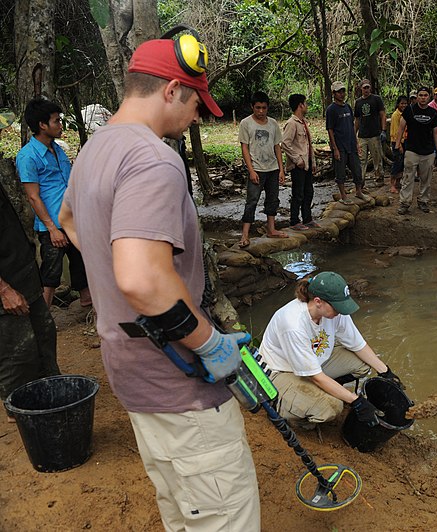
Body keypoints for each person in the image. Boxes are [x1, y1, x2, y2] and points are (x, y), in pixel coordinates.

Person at [59, 34, 261, 530]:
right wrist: (210, 342)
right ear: (171, 90)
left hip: (135, 381)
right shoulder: (152, 158)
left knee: (183, 512)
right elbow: (144, 280)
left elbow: (67, 221)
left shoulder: (93, 150)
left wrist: (113, 273)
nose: (199, 117)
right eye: (196, 103)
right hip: (181, 386)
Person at [256, 272, 403, 428]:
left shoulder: (334, 312)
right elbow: (315, 376)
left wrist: (385, 371)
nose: (341, 311)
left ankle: (324, 391)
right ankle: (293, 415)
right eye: (337, 307)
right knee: (331, 407)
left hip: (313, 362)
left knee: (362, 364)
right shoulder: (293, 324)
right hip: (282, 371)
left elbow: (357, 344)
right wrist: (356, 401)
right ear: (318, 302)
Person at [17, 97, 91, 308]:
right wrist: (52, 229)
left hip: (72, 220)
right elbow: (33, 196)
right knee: (51, 274)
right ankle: (44, 318)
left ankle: (87, 303)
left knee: (81, 264)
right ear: (42, 125)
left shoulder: (57, 149)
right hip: (53, 226)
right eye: (56, 121)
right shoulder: (28, 156)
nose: (60, 125)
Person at [0, 180, 59, 422]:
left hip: (23, 271)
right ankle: (21, 412)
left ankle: (54, 394)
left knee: (45, 333)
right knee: (18, 353)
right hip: (6, 287)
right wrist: (3, 290)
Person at [238, 91, 286, 246]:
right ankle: (245, 235)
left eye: (263, 108)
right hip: (257, 168)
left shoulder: (273, 124)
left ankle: (271, 229)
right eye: (257, 108)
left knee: (273, 199)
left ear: (267, 108)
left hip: (272, 168)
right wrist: (251, 170)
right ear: (252, 107)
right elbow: (244, 148)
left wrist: (281, 169)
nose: (260, 111)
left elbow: (277, 146)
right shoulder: (246, 123)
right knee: (252, 201)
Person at [394, 86, 437, 215]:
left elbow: (436, 132)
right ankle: (405, 203)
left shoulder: (433, 113)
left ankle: (423, 201)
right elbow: (401, 127)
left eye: (425, 95)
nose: (423, 98)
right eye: (420, 95)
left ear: (429, 97)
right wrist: (397, 146)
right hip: (412, 150)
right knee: (408, 177)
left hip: (428, 151)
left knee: (426, 179)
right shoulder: (409, 110)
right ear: (417, 97)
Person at [282, 93, 318, 230]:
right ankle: (294, 221)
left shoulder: (303, 122)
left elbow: (308, 144)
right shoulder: (291, 123)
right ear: (300, 105)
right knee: (298, 193)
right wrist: (297, 159)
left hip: (307, 163)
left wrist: (313, 163)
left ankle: (307, 218)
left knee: (309, 191)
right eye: (305, 103)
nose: (306, 106)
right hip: (298, 165)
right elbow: (285, 143)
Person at [326, 81, 367, 204]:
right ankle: (343, 196)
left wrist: (356, 143)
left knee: (357, 170)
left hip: (351, 144)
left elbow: (352, 126)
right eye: (339, 92)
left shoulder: (348, 107)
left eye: (343, 91)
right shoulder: (331, 110)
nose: (342, 94)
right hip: (340, 146)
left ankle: (359, 191)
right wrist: (335, 148)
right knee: (340, 172)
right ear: (334, 93)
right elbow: (330, 130)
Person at [353, 79, 387, 187]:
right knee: (362, 159)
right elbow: (357, 119)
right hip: (362, 135)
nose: (366, 90)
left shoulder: (376, 99)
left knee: (377, 157)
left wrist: (383, 130)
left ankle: (379, 178)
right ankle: (361, 181)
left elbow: (382, 115)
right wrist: (354, 134)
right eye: (364, 88)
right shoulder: (358, 102)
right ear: (361, 89)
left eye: (368, 87)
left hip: (375, 134)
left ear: (370, 88)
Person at [389, 95, 408, 194]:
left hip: (404, 140)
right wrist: (398, 144)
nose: (404, 105)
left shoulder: (406, 114)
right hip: (397, 142)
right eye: (402, 103)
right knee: (397, 163)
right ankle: (392, 185)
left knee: (402, 164)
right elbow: (396, 131)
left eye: (405, 103)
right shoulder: (396, 115)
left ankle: (398, 182)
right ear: (398, 104)